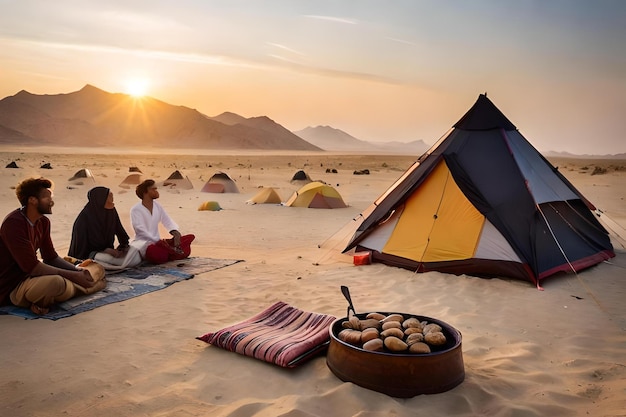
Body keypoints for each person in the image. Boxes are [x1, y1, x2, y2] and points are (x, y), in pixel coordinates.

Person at [0, 178, 103, 315]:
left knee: (97, 268)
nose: (51, 202)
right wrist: (73, 275)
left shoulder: (43, 222)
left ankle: (80, 285)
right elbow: (33, 267)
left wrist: (77, 272)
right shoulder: (14, 223)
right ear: (32, 200)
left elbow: (51, 257)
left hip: (35, 277)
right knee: (56, 283)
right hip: (13, 286)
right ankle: (93, 285)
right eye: (46, 198)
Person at [130, 179, 195, 264]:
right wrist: (158, 241)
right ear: (145, 192)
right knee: (155, 253)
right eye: (154, 189)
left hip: (160, 243)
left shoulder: (157, 206)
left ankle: (170, 251)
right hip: (145, 244)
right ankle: (171, 252)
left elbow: (167, 220)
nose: (156, 191)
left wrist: (174, 232)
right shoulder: (136, 210)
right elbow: (140, 230)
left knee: (189, 237)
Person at [68, 186, 133, 266]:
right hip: (89, 254)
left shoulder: (111, 211)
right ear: (100, 199)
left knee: (134, 251)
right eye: (109, 196)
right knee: (108, 259)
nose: (112, 199)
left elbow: (119, 229)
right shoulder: (85, 218)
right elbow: (82, 247)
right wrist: (105, 250)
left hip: (109, 251)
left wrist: (124, 246)